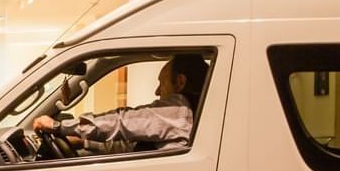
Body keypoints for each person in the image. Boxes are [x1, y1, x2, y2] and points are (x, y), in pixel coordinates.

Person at [32, 54, 208, 150]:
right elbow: (132, 142)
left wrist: (58, 126)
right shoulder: (191, 113)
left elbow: (122, 121)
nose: (157, 91)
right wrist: (83, 142)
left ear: (180, 82)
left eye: (162, 83)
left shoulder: (180, 111)